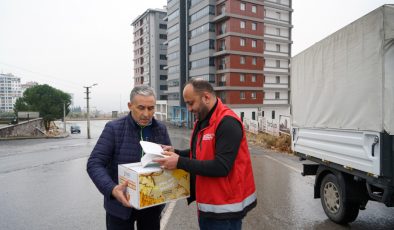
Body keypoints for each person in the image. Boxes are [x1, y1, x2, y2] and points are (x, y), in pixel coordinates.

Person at [154, 78, 257, 230]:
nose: (188, 109)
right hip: (208, 206)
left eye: (191, 103)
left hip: (225, 211)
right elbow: (199, 153)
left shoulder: (227, 122)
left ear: (206, 97)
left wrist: (179, 162)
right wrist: (176, 153)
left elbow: (221, 166)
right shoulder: (203, 121)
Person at [87, 85, 171, 230]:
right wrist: (112, 189)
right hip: (120, 206)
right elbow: (94, 163)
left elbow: (167, 162)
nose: (146, 113)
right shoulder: (114, 128)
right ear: (130, 106)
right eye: (141, 108)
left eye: (151, 108)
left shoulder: (160, 129)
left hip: (151, 204)